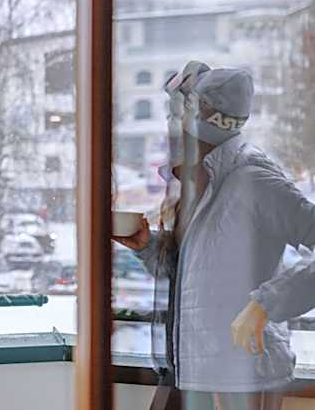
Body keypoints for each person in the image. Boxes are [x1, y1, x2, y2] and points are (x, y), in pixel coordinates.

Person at [115, 67, 315, 410]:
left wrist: (266, 303)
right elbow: (198, 281)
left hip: (242, 376)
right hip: (191, 370)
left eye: (176, 113)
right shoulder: (201, 182)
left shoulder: (253, 181)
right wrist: (147, 247)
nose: (170, 126)